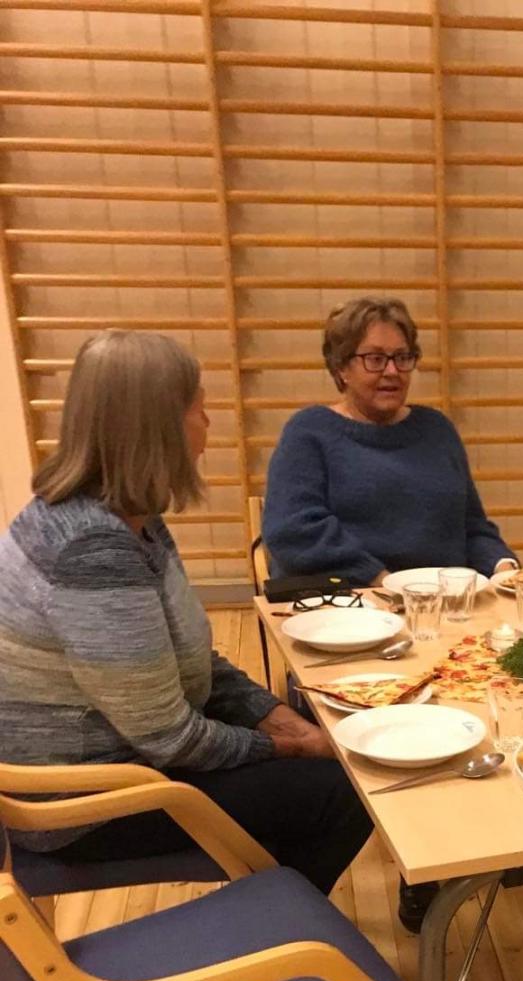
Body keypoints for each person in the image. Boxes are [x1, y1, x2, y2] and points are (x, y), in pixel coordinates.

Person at [0, 330, 372, 897]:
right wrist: (294, 745)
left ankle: (273, 908)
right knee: (342, 793)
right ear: (158, 428)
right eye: (198, 409)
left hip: (125, 757)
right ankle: (276, 926)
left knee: (316, 726)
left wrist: (282, 720)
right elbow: (168, 738)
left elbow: (189, 660)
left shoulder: (129, 518)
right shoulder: (94, 550)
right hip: (85, 802)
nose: (208, 424)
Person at [262, 295, 518, 585]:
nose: (392, 371)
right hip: (349, 600)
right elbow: (293, 531)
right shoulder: (308, 433)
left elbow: (472, 527)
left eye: (402, 357)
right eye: (375, 359)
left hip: (444, 602)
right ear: (341, 367)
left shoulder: (438, 430)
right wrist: (381, 580)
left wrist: (505, 569)